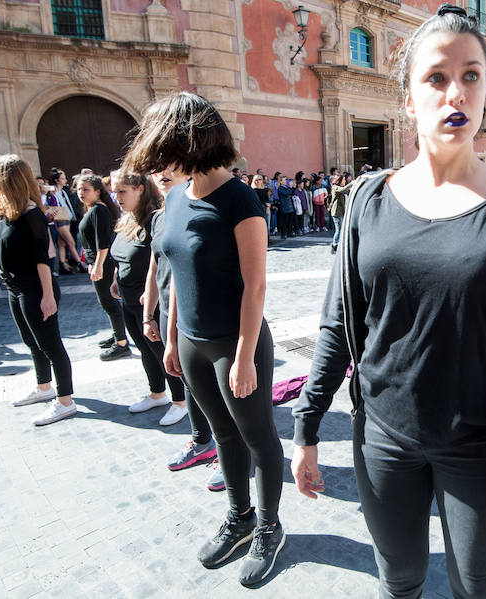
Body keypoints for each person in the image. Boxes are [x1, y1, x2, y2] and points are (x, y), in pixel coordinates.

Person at [290, 6, 486, 598]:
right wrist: (306, 425)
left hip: (483, 445)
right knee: (399, 580)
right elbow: (339, 323)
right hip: (384, 438)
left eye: (472, 75)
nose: (457, 92)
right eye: (436, 77)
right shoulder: (366, 201)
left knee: (476, 587)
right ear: (407, 98)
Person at [123, 91, 285, 586]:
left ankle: (268, 527)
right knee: (222, 435)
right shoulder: (174, 197)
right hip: (192, 342)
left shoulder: (241, 199)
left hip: (238, 343)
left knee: (258, 438)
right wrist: (171, 340)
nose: (159, 165)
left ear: (189, 141)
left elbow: (255, 286)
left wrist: (244, 357)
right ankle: (238, 518)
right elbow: (174, 273)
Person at [143, 169, 224, 490]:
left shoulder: (204, 210)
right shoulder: (159, 217)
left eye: (170, 168)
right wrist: (149, 315)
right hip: (168, 310)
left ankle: (227, 449)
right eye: (156, 170)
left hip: (203, 315)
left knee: (215, 388)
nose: (162, 173)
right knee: (188, 381)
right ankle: (201, 440)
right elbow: (156, 266)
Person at [0, 155, 76, 425]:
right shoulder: (7, 213)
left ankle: (65, 401)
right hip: (15, 287)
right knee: (31, 342)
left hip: (34, 288)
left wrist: (48, 296)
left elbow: (42, 259)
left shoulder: (31, 214)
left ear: (7, 179)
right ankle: (44, 387)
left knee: (50, 344)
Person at [108, 170, 191, 429]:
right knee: (145, 349)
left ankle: (180, 401)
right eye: (115, 192)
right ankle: (157, 393)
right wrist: (115, 278)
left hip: (153, 298)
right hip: (129, 296)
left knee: (163, 351)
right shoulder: (129, 220)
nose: (117, 197)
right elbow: (123, 254)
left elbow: (160, 262)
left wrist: (151, 296)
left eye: (122, 191)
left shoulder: (156, 218)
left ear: (140, 189)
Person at [77, 174, 130, 360]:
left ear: (97, 191)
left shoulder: (99, 211)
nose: (81, 193)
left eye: (86, 189)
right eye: (79, 189)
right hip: (98, 262)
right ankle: (118, 334)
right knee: (108, 302)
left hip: (103, 263)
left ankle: (122, 343)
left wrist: (98, 266)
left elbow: (103, 243)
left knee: (108, 302)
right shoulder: (93, 210)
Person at [46, 168, 85, 274]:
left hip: (66, 217)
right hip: (59, 217)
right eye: (62, 178)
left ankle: (62, 264)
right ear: (57, 180)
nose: (65, 180)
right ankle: (79, 263)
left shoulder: (63, 191)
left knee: (61, 243)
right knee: (71, 242)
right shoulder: (52, 191)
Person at [329, 173, 353, 253]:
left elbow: (347, 190)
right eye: (343, 180)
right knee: (338, 230)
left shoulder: (342, 187)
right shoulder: (335, 187)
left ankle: (338, 244)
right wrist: (351, 183)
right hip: (336, 212)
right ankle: (334, 245)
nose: (344, 181)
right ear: (339, 181)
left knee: (341, 229)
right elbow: (343, 190)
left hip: (341, 212)